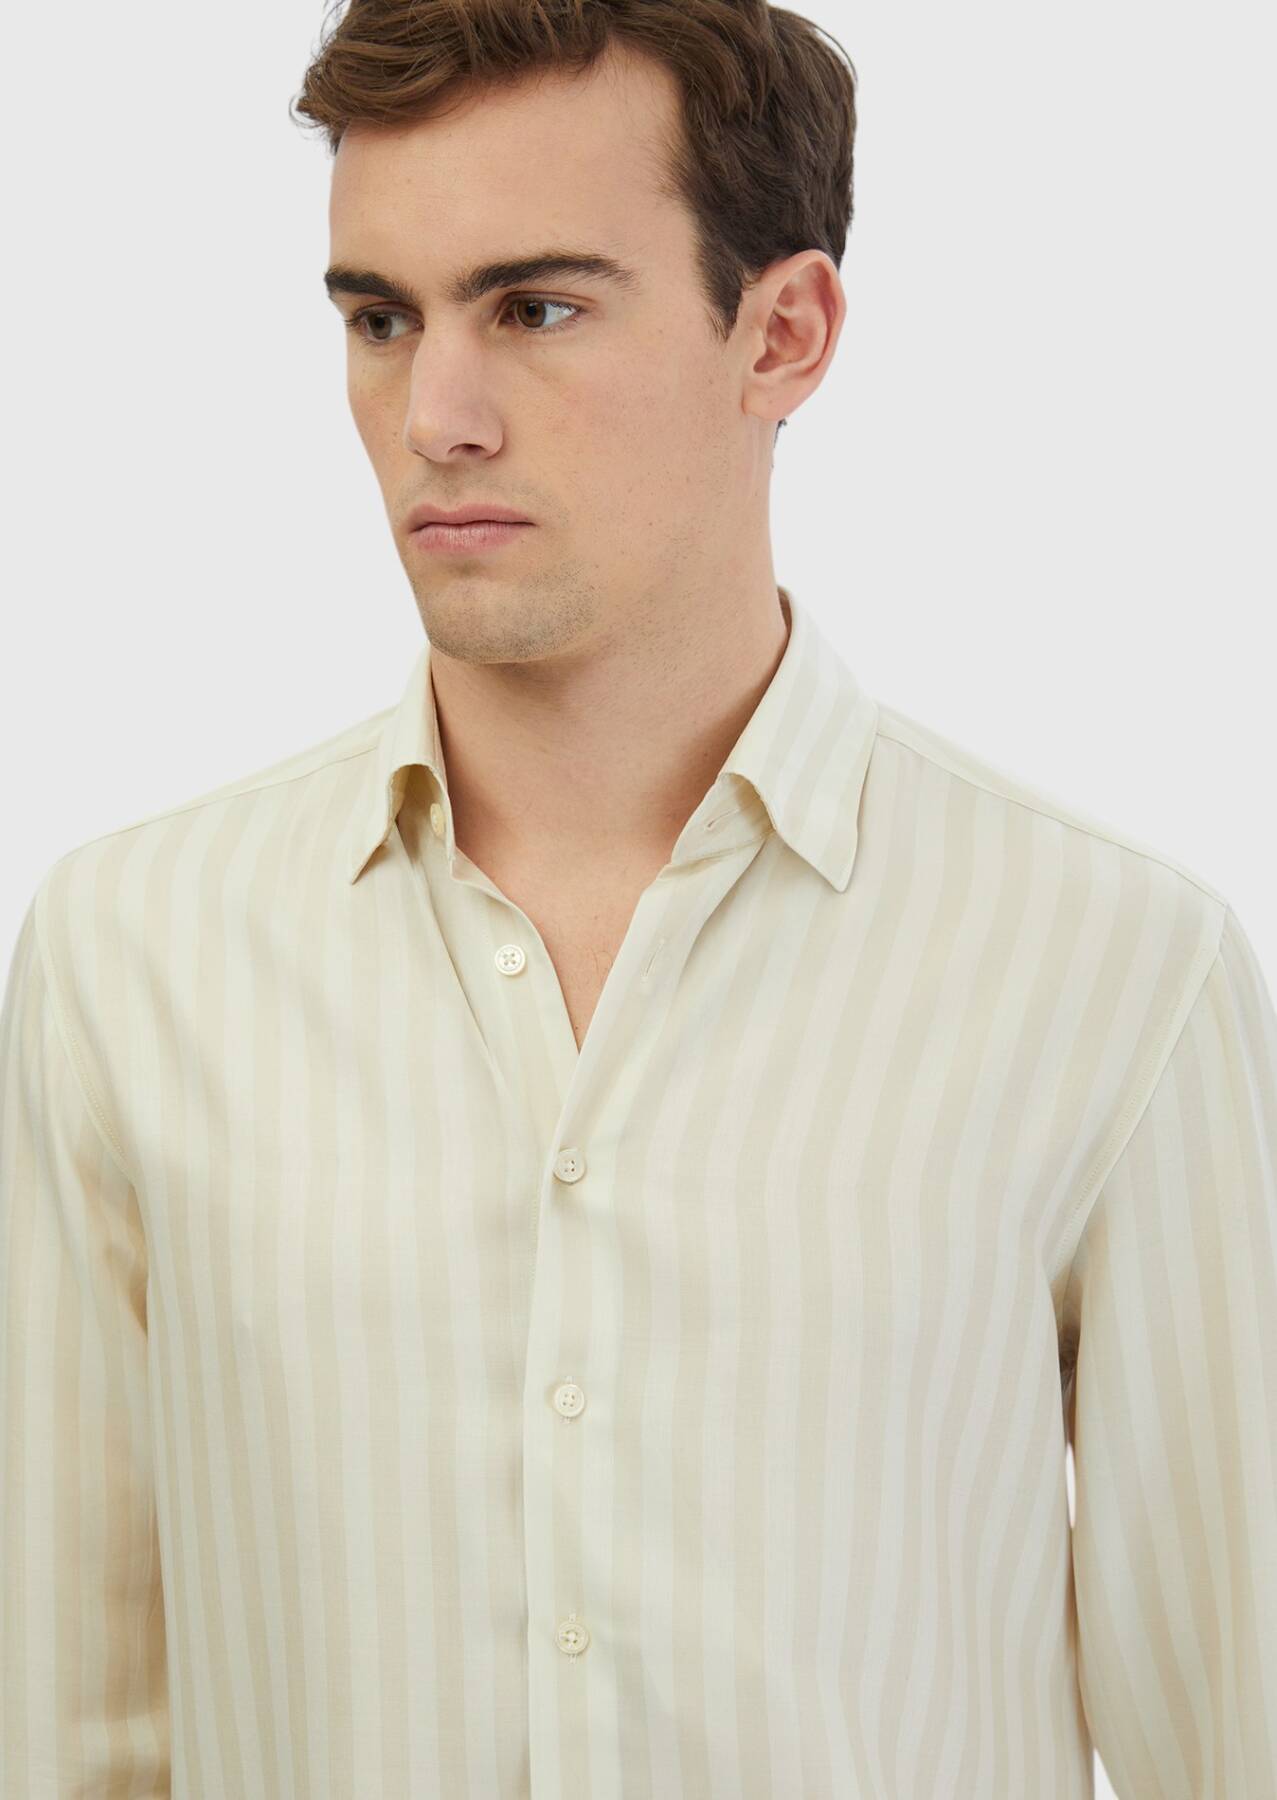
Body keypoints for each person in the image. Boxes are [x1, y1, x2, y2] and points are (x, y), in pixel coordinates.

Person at [2, 3, 1274, 1795]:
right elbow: (66, 1727)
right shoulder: (132, 957)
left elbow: (1232, 1737)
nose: (434, 418)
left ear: (783, 331)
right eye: (380, 319)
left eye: (534, 309)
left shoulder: (1109, 972)